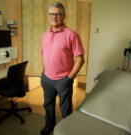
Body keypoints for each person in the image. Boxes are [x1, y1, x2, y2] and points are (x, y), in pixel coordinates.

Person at [40, 2, 84, 135]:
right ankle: (49, 126)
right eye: (51, 14)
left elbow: (80, 60)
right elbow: (43, 54)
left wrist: (68, 79)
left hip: (63, 80)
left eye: (58, 14)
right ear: (48, 16)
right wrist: (44, 72)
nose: (54, 17)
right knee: (48, 105)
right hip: (47, 78)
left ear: (63, 16)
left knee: (65, 109)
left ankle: (67, 130)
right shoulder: (44, 35)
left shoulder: (71, 34)